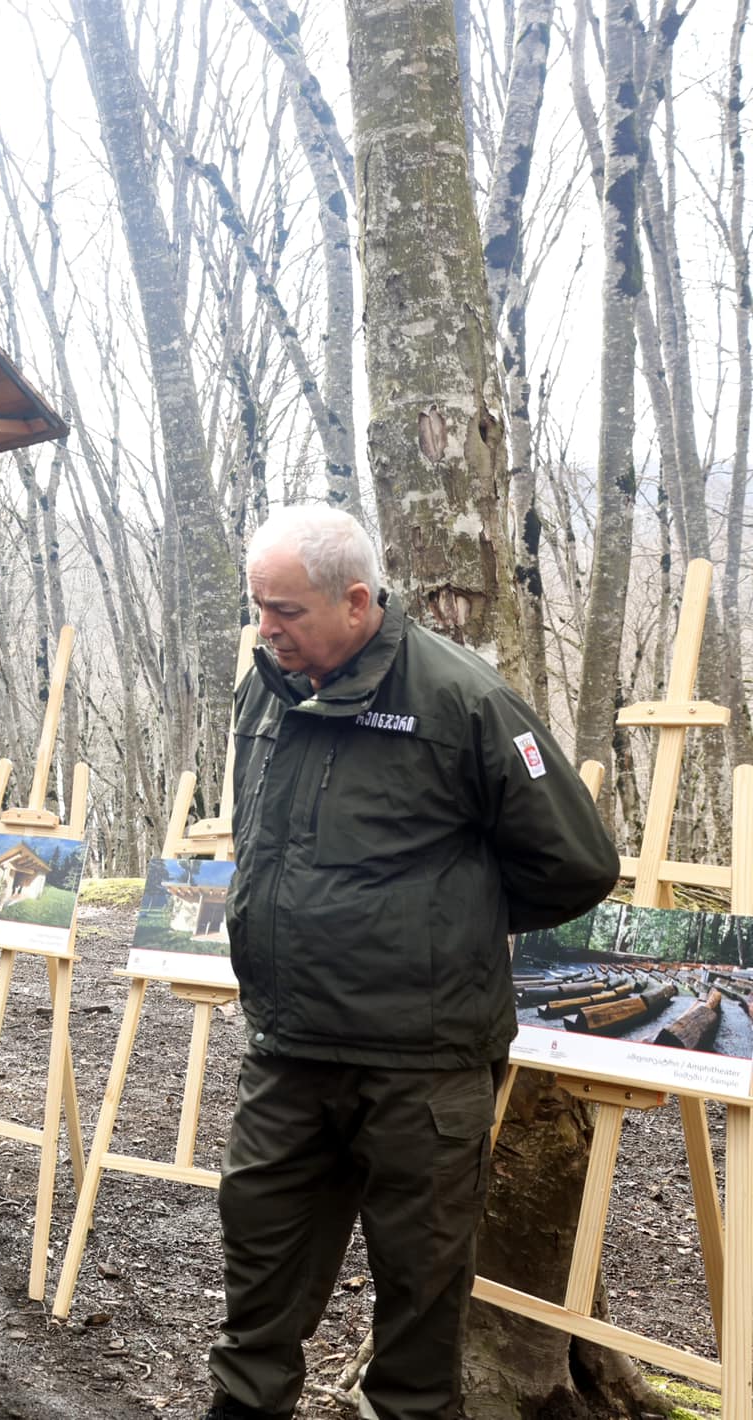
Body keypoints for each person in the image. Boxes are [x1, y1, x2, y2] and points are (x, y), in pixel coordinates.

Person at [206, 505, 620, 1420]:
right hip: (289, 1047)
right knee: (258, 1274)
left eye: (286, 611)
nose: (266, 629)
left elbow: (578, 862)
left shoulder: (464, 699)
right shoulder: (266, 692)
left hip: (422, 1065)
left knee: (420, 1303)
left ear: (356, 601)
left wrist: (446, 925)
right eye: (258, 607)